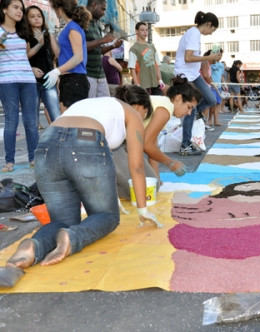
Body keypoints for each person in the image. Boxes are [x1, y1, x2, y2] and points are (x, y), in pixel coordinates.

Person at [5, 85, 161, 269]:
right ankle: (72, 238)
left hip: (46, 145)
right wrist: (142, 209)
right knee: (107, 216)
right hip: (84, 141)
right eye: (144, 116)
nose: (141, 121)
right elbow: (136, 166)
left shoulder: (89, 104)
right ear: (138, 107)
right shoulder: (132, 114)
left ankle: (32, 246)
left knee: (64, 222)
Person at [114, 76, 202, 199]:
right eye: (189, 107)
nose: (188, 113)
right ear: (178, 98)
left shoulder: (162, 103)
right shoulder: (166, 109)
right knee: (139, 191)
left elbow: (152, 145)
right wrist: (171, 163)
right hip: (116, 142)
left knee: (152, 187)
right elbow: (146, 145)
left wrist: (156, 179)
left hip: (123, 140)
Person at [174, 11, 221, 156]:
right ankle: (185, 145)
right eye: (212, 30)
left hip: (193, 75)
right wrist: (208, 57)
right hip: (184, 75)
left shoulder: (195, 34)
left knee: (210, 99)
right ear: (208, 24)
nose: (211, 33)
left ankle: (193, 113)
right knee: (192, 107)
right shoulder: (194, 33)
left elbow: (191, 58)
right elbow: (188, 58)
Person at [0, 0, 38, 173]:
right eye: (15, 7)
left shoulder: (24, 32)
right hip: (7, 81)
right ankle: (9, 161)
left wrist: (40, 43)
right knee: (11, 121)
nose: (19, 11)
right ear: (4, 9)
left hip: (27, 80)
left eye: (21, 9)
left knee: (31, 121)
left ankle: (34, 158)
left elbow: (24, 55)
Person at [45, 0, 91, 112]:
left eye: (54, 9)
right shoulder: (69, 27)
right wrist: (51, 32)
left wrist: (57, 71)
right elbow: (59, 53)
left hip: (75, 79)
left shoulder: (72, 28)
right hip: (70, 79)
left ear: (60, 9)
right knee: (69, 121)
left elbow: (78, 57)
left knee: (71, 122)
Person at [26, 5, 60, 127]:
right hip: (31, 81)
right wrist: (39, 44)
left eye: (39, 16)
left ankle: (58, 144)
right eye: (32, 16)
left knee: (56, 115)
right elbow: (24, 57)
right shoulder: (26, 36)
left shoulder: (47, 34)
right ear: (27, 19)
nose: (36, 19)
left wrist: (50, 33)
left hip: (48, 80)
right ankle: (35, 146)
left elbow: (56, 55)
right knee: (33, 119)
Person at [85, 0, 122, 98]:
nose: (104, 13)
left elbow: (98, 50)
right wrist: (102, 40)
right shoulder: (82, 21)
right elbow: (80, 46)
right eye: (103, 9)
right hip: (88, 74)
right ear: (94, 4)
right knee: (90, 108)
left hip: (100, 74)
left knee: (105, 106)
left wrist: (113, 46)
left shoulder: (97, 22)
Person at [128, 22, 163, 96]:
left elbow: (157, 66)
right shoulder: (134, 49)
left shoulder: (152, 47)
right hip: (142, 84)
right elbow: (132, 68)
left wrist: (160, 80)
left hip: (155, 84)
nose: (145, 32)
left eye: (146, 30)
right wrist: (136, 84)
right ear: (137, 31)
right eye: (142, 30)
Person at [208, 48, 224, 126]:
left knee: (218, 104)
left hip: (219, 86)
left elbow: (221, 75)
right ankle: (210, 119)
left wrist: (224, 84)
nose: (220, 56)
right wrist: (212, 83)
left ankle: (216, 121)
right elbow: (209, 75)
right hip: (212, 86)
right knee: (212, 103)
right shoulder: (211, 64)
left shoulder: (221, 65)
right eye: (218, 54)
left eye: (221, 55)